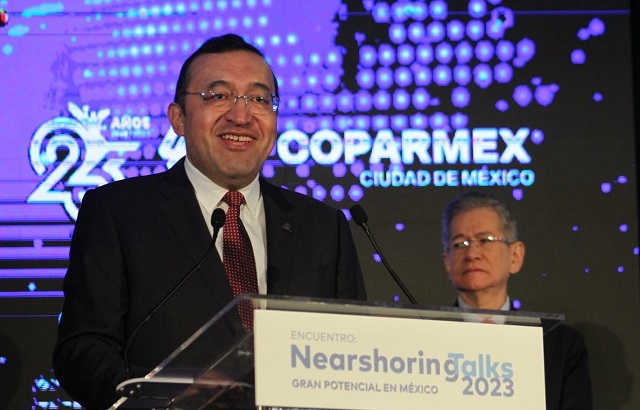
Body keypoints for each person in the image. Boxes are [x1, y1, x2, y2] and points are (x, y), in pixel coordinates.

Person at [53, 33, 366, 410]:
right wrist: (163, 399)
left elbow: (355, 351)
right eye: (218, 96)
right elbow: (83, 349)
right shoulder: (118, 212)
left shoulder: (323, 226)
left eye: (259, 99)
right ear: (178, 119)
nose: (241, 116)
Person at [440, 191, 592, 410]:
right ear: (447, 262)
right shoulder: (422, 341)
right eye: (459, 244)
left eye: (485, 240)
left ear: (515, 256)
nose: (472, 253)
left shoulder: (559, 346)